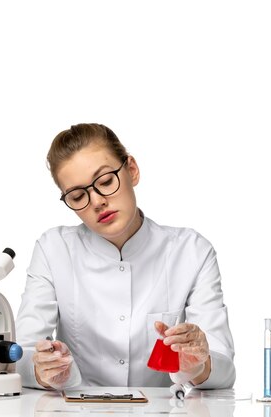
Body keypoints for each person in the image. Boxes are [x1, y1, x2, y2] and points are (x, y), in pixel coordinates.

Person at [15, 123, 235, 389]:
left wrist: (197, 364)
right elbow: (20, 357)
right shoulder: (54, 249)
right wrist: (45, 371)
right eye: (77, 196)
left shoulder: (192, 251)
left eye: (106, 181)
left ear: (131, 170)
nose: (96, 201)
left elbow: (224, 370)